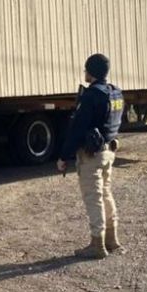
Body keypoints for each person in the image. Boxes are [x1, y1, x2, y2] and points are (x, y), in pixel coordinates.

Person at [56, 53, 125, 259]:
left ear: (91, 72)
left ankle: (97, 244)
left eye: (86, 69)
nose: (84, 73)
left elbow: (77, 129)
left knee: (93, 198)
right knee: (105, 194)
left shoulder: (91, 96)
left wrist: (64, 157)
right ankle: (112, 240)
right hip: (108, 151)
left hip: (91, 155)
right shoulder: (116, 93)